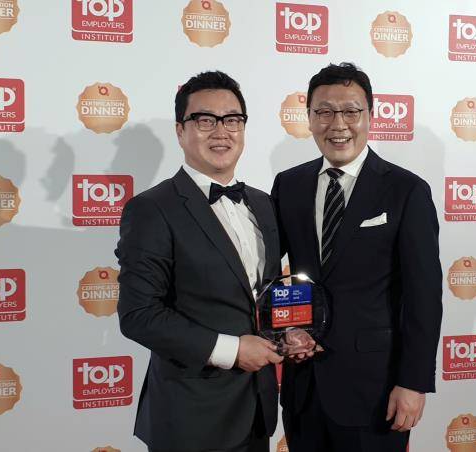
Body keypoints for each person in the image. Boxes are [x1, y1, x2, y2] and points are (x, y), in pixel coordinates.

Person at [271, 63, 443, 452]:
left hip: (376, 390)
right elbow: (274, 275)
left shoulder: (406, 191)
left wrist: (413, 382)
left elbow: (423, 297)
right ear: (309, 117)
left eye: (351, 111)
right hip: (303, 387)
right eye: (324, 111)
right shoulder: (289, 184)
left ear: (370, 115)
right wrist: (284, 330)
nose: (338, 124)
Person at [116, 70, 283, 452]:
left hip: (257, 410)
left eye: (232, 120)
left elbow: (264, 294)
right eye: (205, 120)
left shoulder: (263, 204)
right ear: (181, 131)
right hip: (190, 417)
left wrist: (292, 331)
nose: (221, 132)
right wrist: (232, 350)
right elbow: (138, 314)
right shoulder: (152, 209)